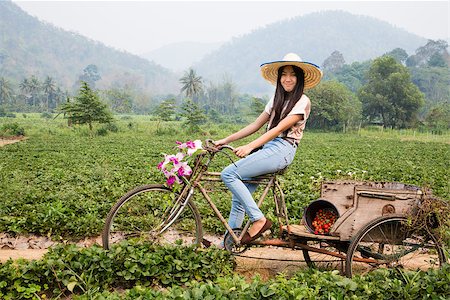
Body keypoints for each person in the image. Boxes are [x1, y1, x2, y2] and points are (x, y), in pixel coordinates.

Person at [214, 53, 322, 245]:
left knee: (229, 174)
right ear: (279, 78)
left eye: (293, 74)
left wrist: (250, 146)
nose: (287, 78)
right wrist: (225, 140)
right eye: (284, 74)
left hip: (282, 149)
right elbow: (255, 125)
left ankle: (259, 219)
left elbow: (279, 129)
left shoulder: (303, 101)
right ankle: (227, 246)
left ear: (300, 78)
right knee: (239, 197)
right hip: (268, 149)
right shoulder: (276, 99)